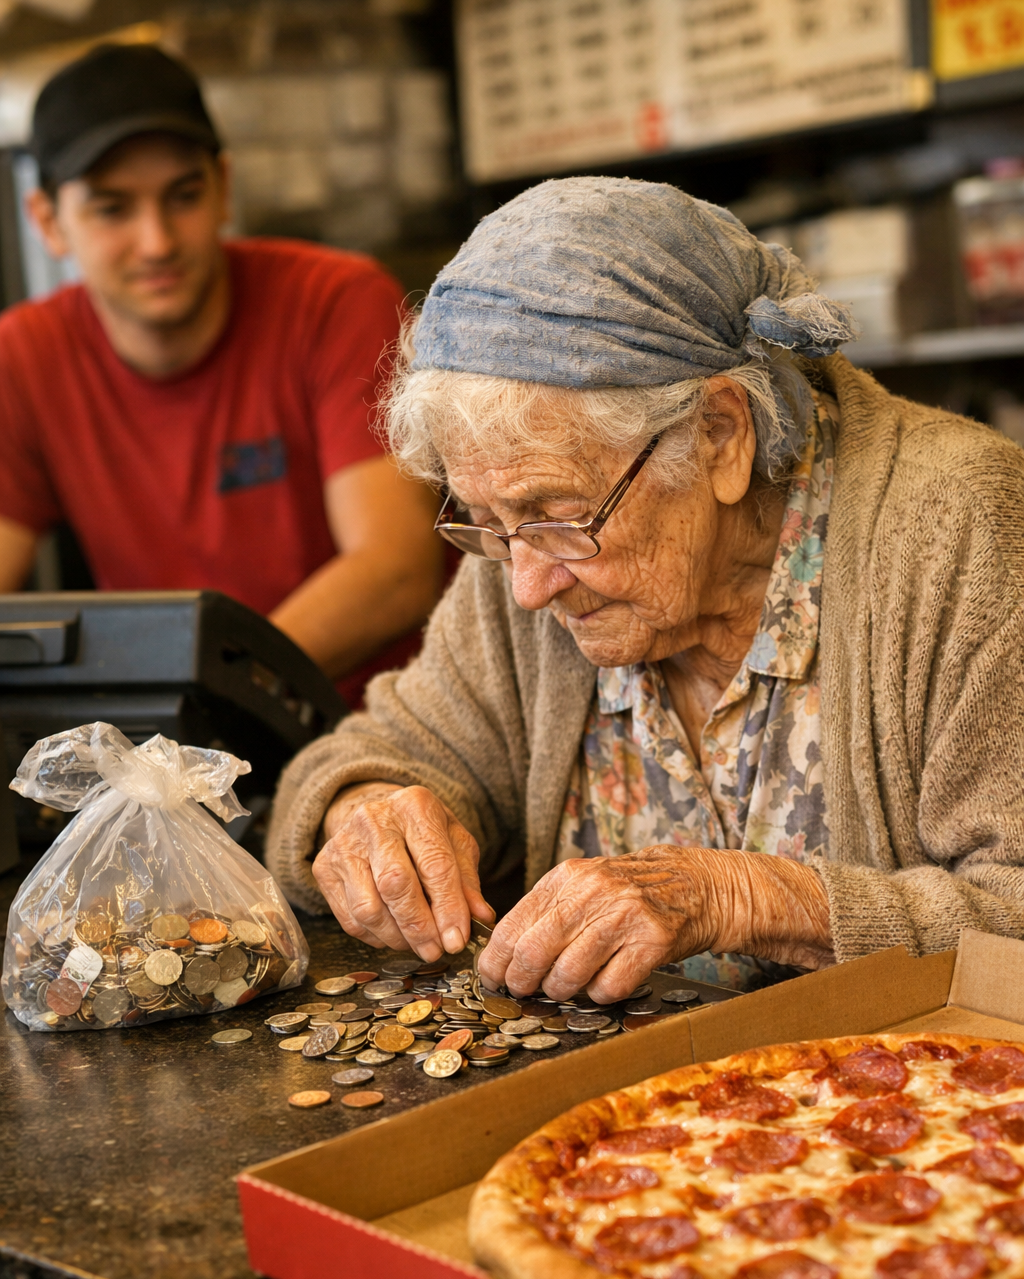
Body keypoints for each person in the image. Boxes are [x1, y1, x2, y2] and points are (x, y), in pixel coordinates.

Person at [267, 176, 1024, 1001]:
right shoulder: (528, 557)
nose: (526, 586)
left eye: (558, 513)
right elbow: (374, 753)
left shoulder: (960, 527)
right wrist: (365, 810)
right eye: (487, 520)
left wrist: (744, 898)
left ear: (721, 436)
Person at [0, 44, 443, 710]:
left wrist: (202, 692)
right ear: (47, 223)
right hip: (177, 739)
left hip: (379, 715)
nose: (156, 242)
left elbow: (395, 572)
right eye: (113, 209)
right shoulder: (24, 357)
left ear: (223, 189)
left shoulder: (337, 299)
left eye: (183, 196)